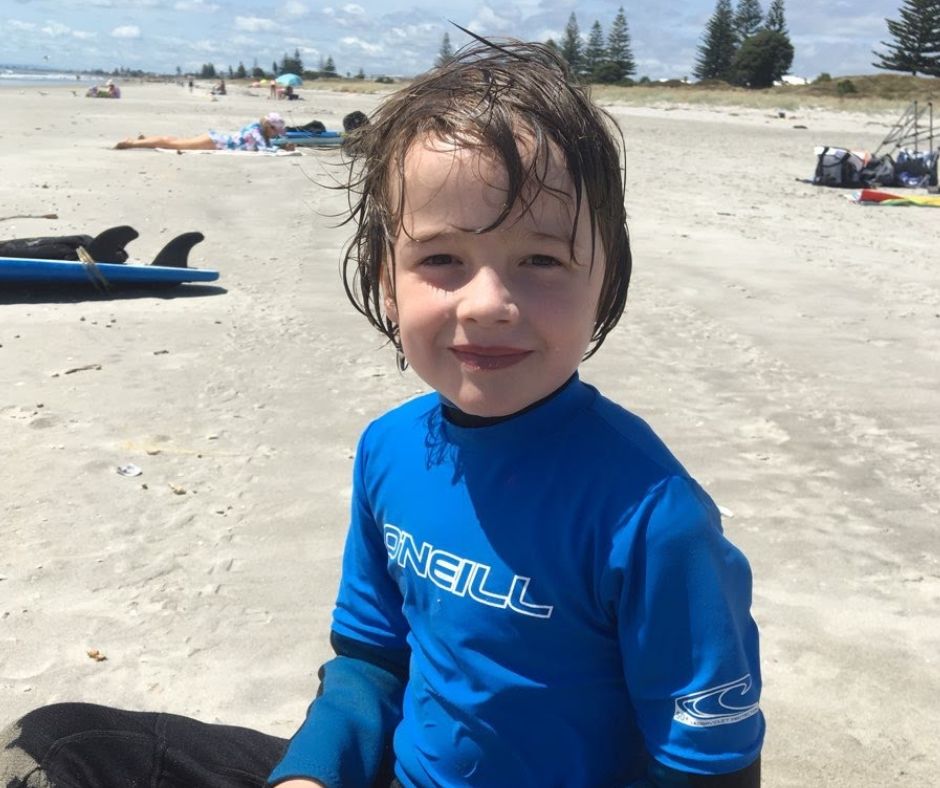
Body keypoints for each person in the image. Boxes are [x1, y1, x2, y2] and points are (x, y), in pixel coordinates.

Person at [0, 38, 764, 788]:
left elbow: (709, 768)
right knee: (63, 742)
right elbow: (371, 662)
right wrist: (311, 774)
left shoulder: (653, 518)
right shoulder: (389, 450)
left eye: (542, 260)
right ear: (386, 282)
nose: (490, 303)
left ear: (605, 280)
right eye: (441, 260)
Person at [113, 112, 294, 151]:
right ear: (269, 127)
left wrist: (282, 145)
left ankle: (147, 140)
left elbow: (267, 144)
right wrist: (282, 148)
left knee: (175, 140)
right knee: (173, 144)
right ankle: (133, 143)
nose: (277, 134)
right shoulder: (256, 131)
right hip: (214, 142)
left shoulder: (259, 130)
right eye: (276, 131)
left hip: (214, 139)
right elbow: (264, 149)